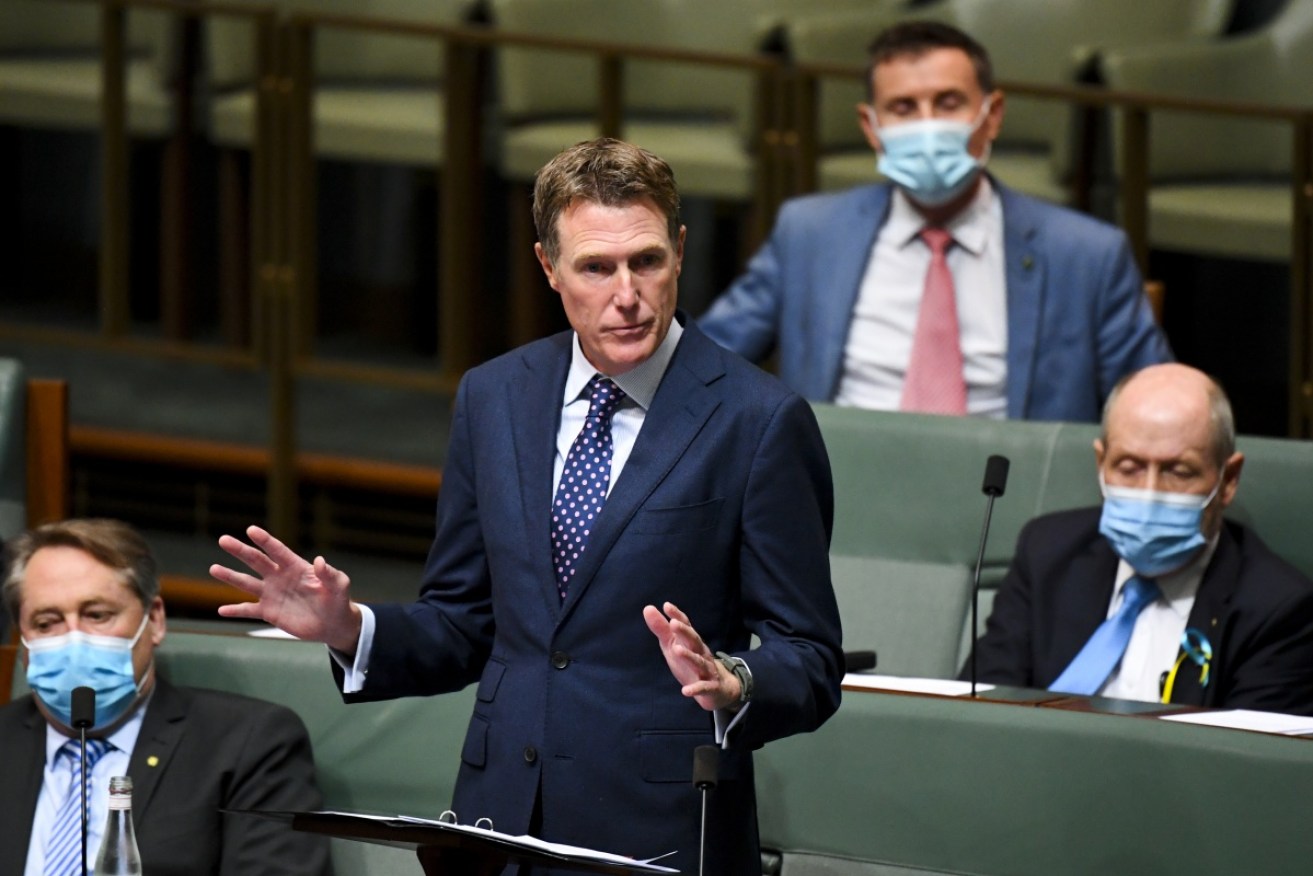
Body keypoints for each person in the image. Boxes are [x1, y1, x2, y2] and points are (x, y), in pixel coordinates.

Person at [211, 138, 844, 875]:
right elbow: (465, 619)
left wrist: (735, 682)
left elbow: (810, 656)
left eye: (646, 261)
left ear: (679, 249)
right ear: (548, 266)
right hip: (497, 818)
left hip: (664, 830)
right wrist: (350, 628)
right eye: (595, 268)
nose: (627, 294)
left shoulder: (758, 419)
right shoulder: (493, 396)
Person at [698, 20, 1171, 421]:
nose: (927, 126)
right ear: (871, 127)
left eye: (947, 103)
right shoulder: (809, 233)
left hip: (1009, 504)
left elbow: (1159, 406)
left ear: (992, 115)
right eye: (903, 108)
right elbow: (701, 364)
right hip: (837, 493)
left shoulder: (1086, 255)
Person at [968, 363, 1313, 714]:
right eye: (1129, 467)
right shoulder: (1047, 553)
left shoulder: (1279, 610)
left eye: (1178, 471)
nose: (1149, 493)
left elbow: (1247, 760)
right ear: (1101, 463)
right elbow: (981, 706)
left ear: (1228, 479)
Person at [0, 518, 333, 876]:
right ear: (24, 641)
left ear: (155, 620)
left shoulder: (247, 743)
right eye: (47, 623)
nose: (73, 640)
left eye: (97, 615)